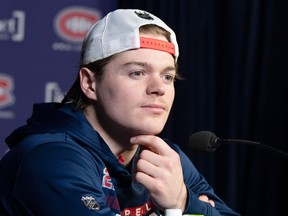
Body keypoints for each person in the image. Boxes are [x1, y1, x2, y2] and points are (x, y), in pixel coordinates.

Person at [0, 9, 240, 216]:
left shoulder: (163, 158)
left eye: (167, 76)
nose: (158, 88)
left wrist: (182, 201)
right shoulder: (51, 157)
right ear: (89, 84)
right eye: (137, 73)